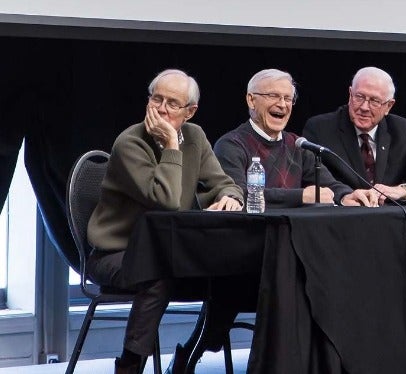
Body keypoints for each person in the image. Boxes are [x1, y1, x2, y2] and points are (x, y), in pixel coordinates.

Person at [87, 69, 246, 374]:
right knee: (157, 272)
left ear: (190, 111)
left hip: (171, 250)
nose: (161, 108)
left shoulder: (196, 136)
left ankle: (192, 352)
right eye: (156, 99)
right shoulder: (130, 143)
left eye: (172, 103)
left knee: (234, 270)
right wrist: (172, 146)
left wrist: (232, 197)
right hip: (116, 253)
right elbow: (167, 201)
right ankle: (130, 366)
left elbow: (222, 181)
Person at [214, 68, 377, 207]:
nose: (282, 104)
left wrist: (345, 195)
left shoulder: (297, 145)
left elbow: (329, 185)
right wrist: (301, 196)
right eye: (273, 95)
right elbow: (238, 194)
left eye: (288, 99)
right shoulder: (231, 144)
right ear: (251, 100)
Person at [303, 66, 406, 205]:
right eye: (359, 97)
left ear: (388, 106)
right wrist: (344, 196)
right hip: (341, 218)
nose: (364, 107)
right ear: (350, 94)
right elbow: (313, 179)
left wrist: (401, 190)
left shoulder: (400, 129)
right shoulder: (321, 128)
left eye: (374, 101)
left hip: (388, 221)